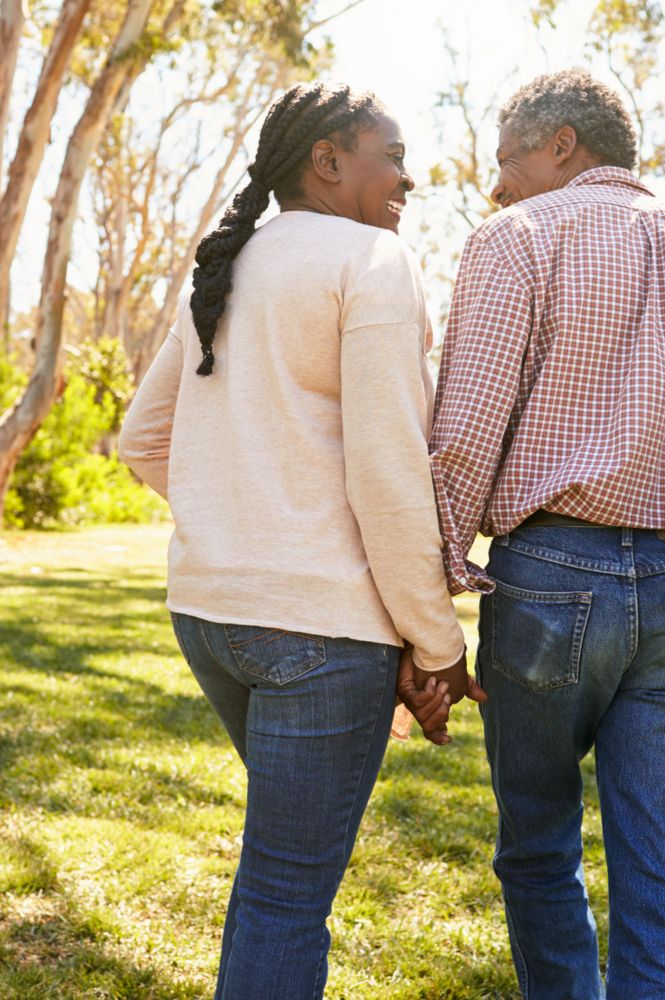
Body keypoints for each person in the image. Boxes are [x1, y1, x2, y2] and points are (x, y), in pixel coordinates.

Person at [118, 81, 482, 1000]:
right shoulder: (373, 261)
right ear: (326, 160)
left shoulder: (230, 261)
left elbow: (143, 439)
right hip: (318, 641)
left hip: (208, 616)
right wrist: (436, 647)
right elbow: (389, 475)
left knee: (273, 879)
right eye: (391, 155)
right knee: (286, 892)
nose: (410, 175)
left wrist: (245, 518)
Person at [427, 70, 665, 999]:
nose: (496, 185)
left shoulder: (516, 239)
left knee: (538, 850)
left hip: (549, 578)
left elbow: (462, 437)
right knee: (662, 887)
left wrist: (433, 600)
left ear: (563, 144)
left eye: (507, 161)